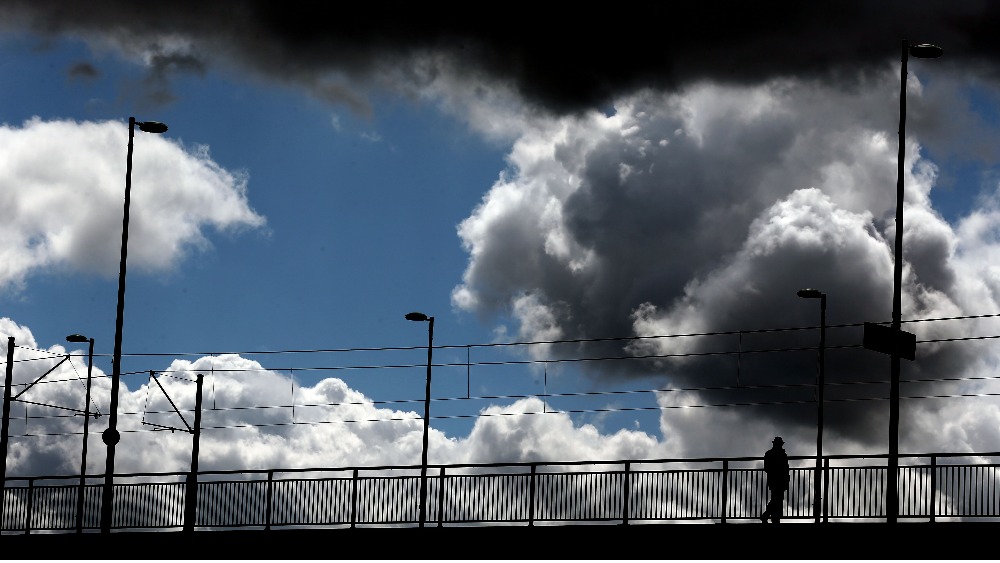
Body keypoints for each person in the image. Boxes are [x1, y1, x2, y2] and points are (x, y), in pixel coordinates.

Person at [760, 436, 789, 523]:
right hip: (779, 479)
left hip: (774, 479)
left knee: (776, 499)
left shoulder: (769, 454)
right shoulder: (782, 454)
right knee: (777, 499)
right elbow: (785, 468)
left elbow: (766, 468)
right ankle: (769, 516)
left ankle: (774, 517)